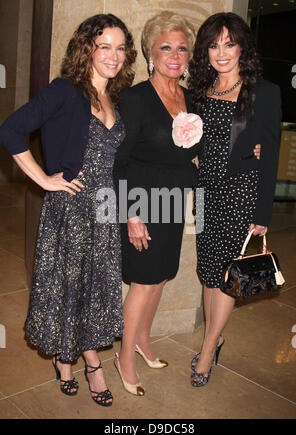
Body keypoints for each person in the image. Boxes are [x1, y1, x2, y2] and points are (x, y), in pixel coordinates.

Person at [113, 11, 260, 396]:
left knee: (160, 277)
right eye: (166, 47)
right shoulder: (135, 98)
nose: (175, 55)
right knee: (143, 283)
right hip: (142, 202)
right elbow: (120, 161)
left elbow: (216, 144)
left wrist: (253, 146)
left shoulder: (192, 97)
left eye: (182, 47)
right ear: (150, 51)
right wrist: (130, 214)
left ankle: (143, 342)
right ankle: (124, 356)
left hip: (175, 201)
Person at [0, 14, 137, 406]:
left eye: (120, 47)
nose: (113, 55)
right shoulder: (65, 90)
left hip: (105, 211)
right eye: (104, 46)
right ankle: (85, 361)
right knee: (70, 286)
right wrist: (43, 179)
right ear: (87, 48)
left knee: (95, 289)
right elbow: (10, 129)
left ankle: (72, 355)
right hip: (72, 208)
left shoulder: (115, 96)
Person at [188, 12, 282, 387]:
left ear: (243, 46)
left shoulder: (264, 91)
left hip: (241, 194)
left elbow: (270, 155)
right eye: (213, 45)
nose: (221, 52)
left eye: (229, 43)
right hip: (206, 193)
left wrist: (263, 213)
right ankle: (217, 334)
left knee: (227, 276)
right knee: (209, 272)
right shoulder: (199, 90)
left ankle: (209, 348)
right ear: (205, 51)